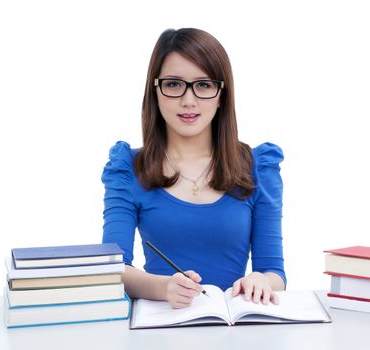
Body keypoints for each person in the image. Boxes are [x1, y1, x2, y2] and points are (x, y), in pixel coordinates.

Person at [102, 28, 285, 309]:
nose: (189, 100)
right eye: (174, 84)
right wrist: (164, 288)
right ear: (156, 90)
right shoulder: (127, 168)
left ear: (222, 94)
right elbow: (114, 268)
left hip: (238, 327)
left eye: (203, 85)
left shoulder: (259, 166)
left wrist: (260, 280)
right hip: (161, 324)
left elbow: (275, 272)